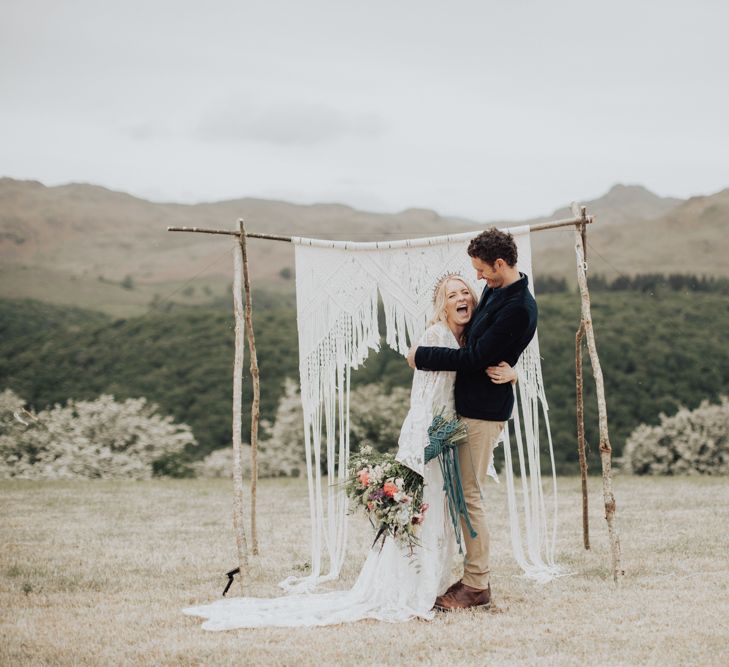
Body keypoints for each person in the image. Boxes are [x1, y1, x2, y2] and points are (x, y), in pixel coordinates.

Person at [183, 274, 516, 630]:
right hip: (430, 444)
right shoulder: (436, 335)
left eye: (466, 292)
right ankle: (409, 587)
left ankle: (432, 582)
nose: (462, 297)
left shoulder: (466, 339)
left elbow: (481, 364)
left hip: (449, 443)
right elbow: (423, 398)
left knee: (439, 519)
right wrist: (418, 448)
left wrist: (514, 375)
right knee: (425, 516)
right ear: (442, 304)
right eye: (453, 294)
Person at [406, 227, 538, 612]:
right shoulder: (498, 291)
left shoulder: (519, 307)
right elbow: (482, 345)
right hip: (467, 408)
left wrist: (422, 356)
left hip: (483, 412)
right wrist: (515, 367)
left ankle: (477, 584)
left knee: (469, 495)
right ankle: (470, 578)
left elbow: (475, 358)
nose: (476, 279)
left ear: (500, 264)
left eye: (480, 270)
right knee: (463, 493)